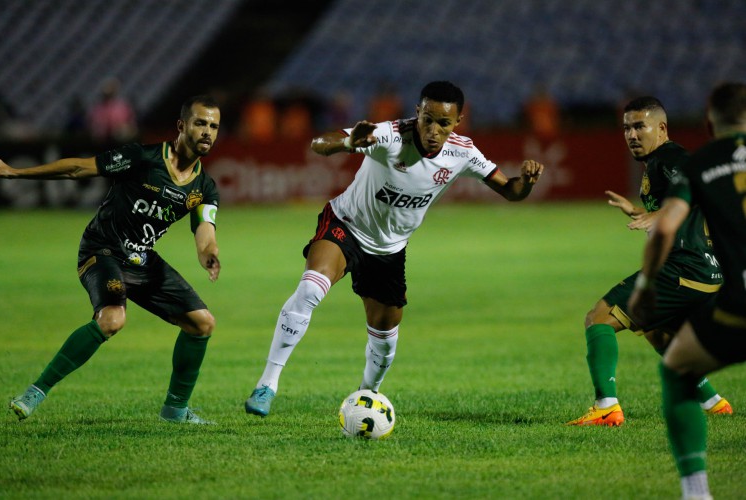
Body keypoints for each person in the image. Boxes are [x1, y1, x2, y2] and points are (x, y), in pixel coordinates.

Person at [243, 81, 545, 417]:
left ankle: (365, 398)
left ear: (458, 122)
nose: (433, 129)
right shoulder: (388, 134)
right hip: (346, 225)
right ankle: (267, 384)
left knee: (385, 337)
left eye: (443, 123)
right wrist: (347, 142)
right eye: (427, 118)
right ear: (417, 111)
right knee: (311, 288)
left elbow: (511, 191)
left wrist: (527, 182)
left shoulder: (464, 152)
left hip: (389, 250)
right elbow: (318, 143)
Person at [0, 95, 222, 424]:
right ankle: (34, 392)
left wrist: (209, 254)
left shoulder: (204, 187)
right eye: (200, 123)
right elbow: (78, 169)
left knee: (202, 323)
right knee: (112, 320)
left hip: (141, 259)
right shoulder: (142, 157)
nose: (207, 132)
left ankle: (175, 410)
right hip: (102, 250)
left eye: (213, 126)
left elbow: (205, 229)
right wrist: (15, 173)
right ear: (182, 126)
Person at [567, 96, 731, 426]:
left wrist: (657, 213)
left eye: (640, 126)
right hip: (704, 271)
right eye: (626, 128)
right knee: (659, 333)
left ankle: (606, 407)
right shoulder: (657, 164)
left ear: (661, 128)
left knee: (598, 318)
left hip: (683, 268)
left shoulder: (670, 158)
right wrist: (642, 212)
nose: (631, 134)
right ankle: (713, 402)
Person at [628, 82, 746, 500]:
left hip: (738, 306)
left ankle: (696, 493)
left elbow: (667, 225)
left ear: (709, 123)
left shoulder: (703, 162)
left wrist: (644, 285)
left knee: (677, 369)